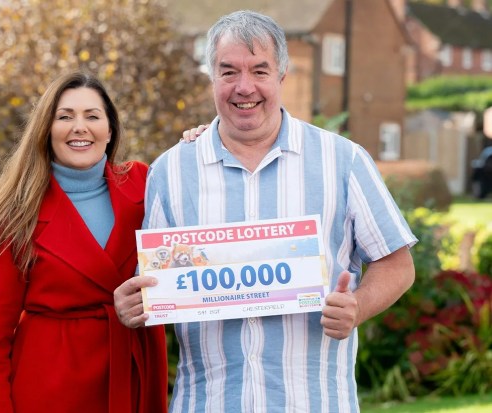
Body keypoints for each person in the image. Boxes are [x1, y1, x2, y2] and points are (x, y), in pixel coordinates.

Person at [114, 10, 417, 413]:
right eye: (228, 72)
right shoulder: (171, 170)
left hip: (314, 402)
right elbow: (154, 281)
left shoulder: (342, 160)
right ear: (211, 79)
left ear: (282, 78)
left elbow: (398, 264)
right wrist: (134, 301)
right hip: (208, 402)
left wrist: (357, 308)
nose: (244, 87)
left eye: (260, 71)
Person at [0, 71, 172, 413]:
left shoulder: (143, 182)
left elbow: (201, 221)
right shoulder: (14, 213)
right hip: (51, 385)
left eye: (92, 116)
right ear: (46, 130)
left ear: (110, 130)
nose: (80, 127)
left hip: (133, 370)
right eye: (65, 117)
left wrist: (202, 141)